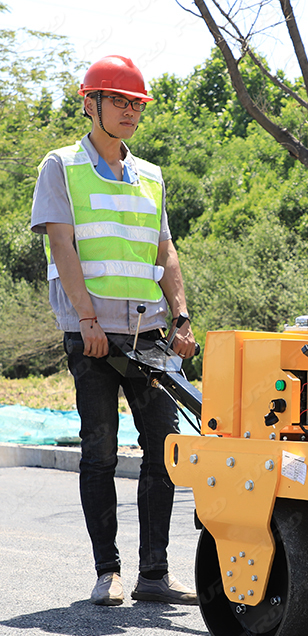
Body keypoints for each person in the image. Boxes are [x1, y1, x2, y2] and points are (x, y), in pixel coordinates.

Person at [31, 55, 198, 607]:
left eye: (136, 104)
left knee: (163, 448)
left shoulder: (151, 176)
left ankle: (155, 573)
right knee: (99, 451)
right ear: (90, 103)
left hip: (149, 334)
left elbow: (164, 250)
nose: (129, 111)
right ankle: (108, 572)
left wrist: (180, 313)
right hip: (93, 335)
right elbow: (63, 245)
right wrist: (85, 320)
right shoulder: (62, 166)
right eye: (119, 101)